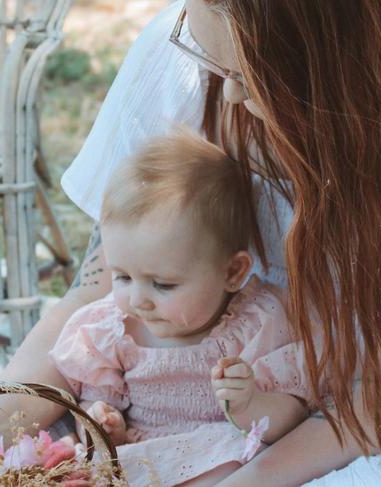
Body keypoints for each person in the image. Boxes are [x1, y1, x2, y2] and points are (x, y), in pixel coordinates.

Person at [0, 0, 381, 485]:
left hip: (357, 418)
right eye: (219, 68)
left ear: (335, 60)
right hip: (170, 411)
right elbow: (93, 305)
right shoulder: (179, 52)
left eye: (256, 74)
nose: (232, 93)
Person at [50, 130, 313, 485]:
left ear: (232, 272)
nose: (138, 299)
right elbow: (94, 396)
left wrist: (250, 404)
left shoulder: (256, 324)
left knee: (236, 464)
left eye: (162, 284)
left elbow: (293, 413)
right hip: (138, 452)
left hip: (214, 453)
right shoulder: (115, 328)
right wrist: (104, 420)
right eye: (122, 277)